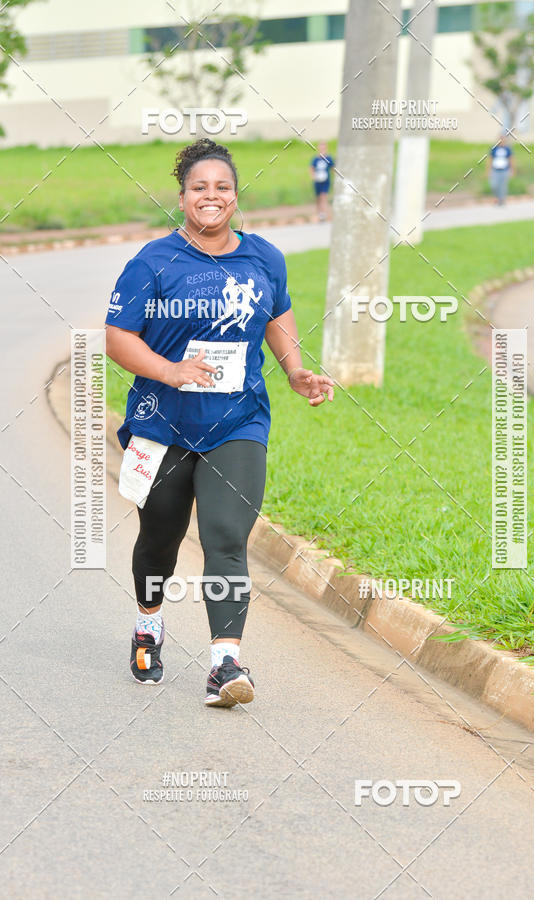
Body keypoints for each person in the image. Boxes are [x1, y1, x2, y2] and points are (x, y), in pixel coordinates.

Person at [105, 138, 334, 708]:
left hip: (238, 422)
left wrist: (295, 370)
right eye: (200, 187)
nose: (212, 196)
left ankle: (224, 663)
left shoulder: (262, 257)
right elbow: (116, 336)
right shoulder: (153, 262)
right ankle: (148, 626)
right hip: (162, 423)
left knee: (226, 537)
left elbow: (278, 312)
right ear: (182, 197)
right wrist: (171, 370)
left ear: (236, 196)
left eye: (223, 187)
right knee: (158, 538)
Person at [310, 141, 335, 221]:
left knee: (324, 196)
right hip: (317, 181)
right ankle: (319, 213)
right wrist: (313, 176)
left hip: (326, 180)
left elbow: (332, 168)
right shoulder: (315, 159)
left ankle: (324, 214)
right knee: (318, 198)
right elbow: (311, 168)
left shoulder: (328, 158)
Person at [487, 133, 514, 205]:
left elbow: (511, 159)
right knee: (494, 185)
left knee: (503, 186)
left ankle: (501, 200)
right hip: (495, 170)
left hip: (504, 170)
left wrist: (512, 170)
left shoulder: (507, 149)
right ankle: (497, 197)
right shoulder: (494, 149)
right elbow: (490, 159)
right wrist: (488, 170)